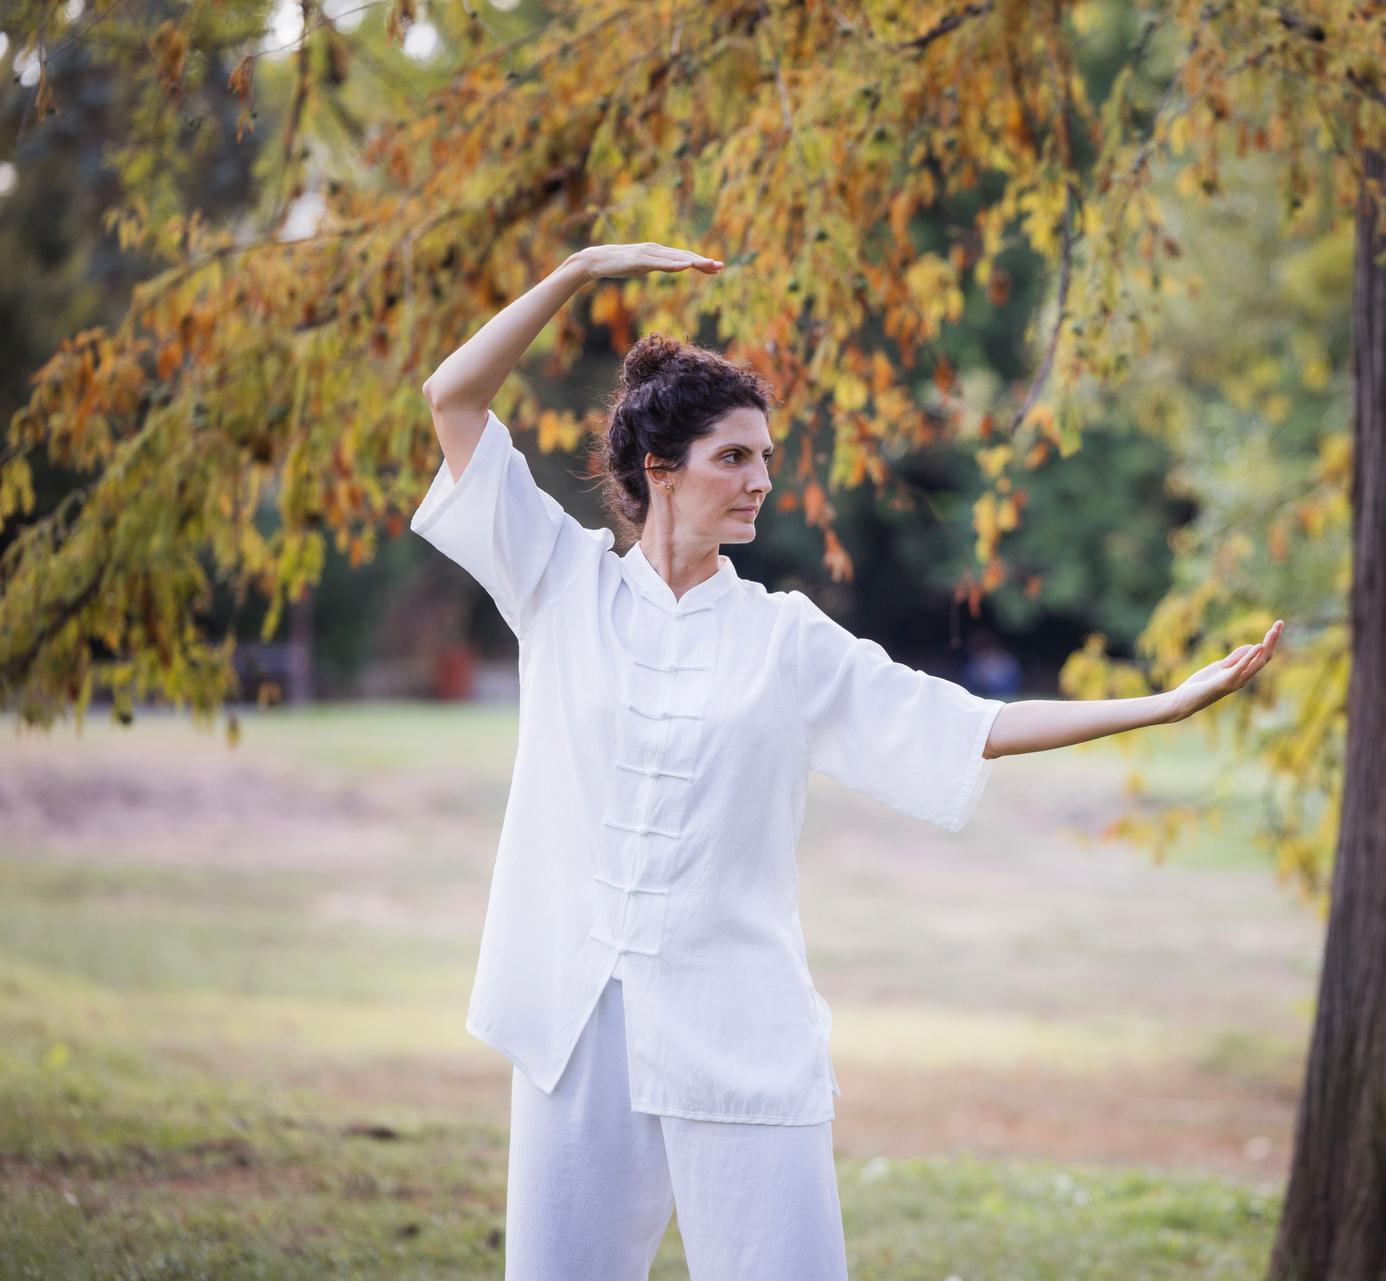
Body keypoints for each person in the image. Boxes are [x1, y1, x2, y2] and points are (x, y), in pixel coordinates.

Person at [412, 240, 1285, 1281]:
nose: (762, 480)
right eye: (736, 456)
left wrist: (1161, 705)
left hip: (736, 1024)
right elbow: (452, 397)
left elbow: (964, 723)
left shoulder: (786, 639)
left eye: (768, 459)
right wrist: (578, 271)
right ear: (661, 467)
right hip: (572, 1021)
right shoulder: (561, 584)